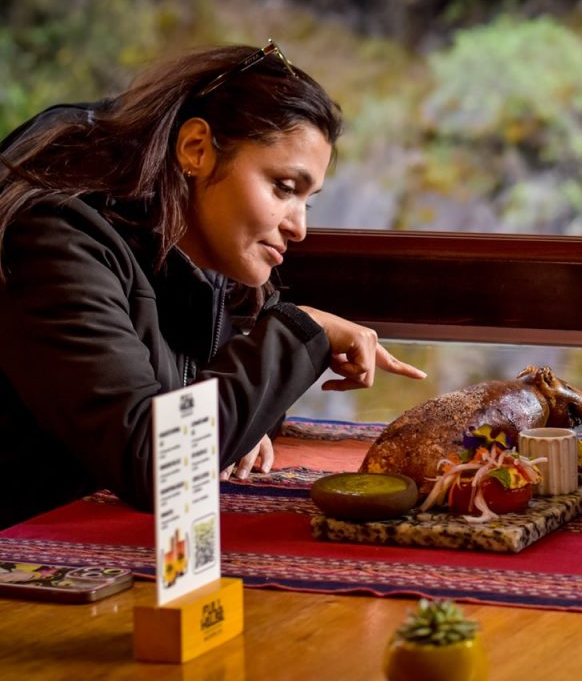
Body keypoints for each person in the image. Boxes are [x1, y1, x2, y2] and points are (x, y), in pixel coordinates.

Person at [0, 40, 426, 530]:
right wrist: (301, 332)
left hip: (96, 550)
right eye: (283, 188)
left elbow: (190, 407)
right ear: (196, 149)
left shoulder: (201, 259)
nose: (299, 226)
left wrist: (236, 424)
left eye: (309, 200)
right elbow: (155, 465)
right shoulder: (55, 240)